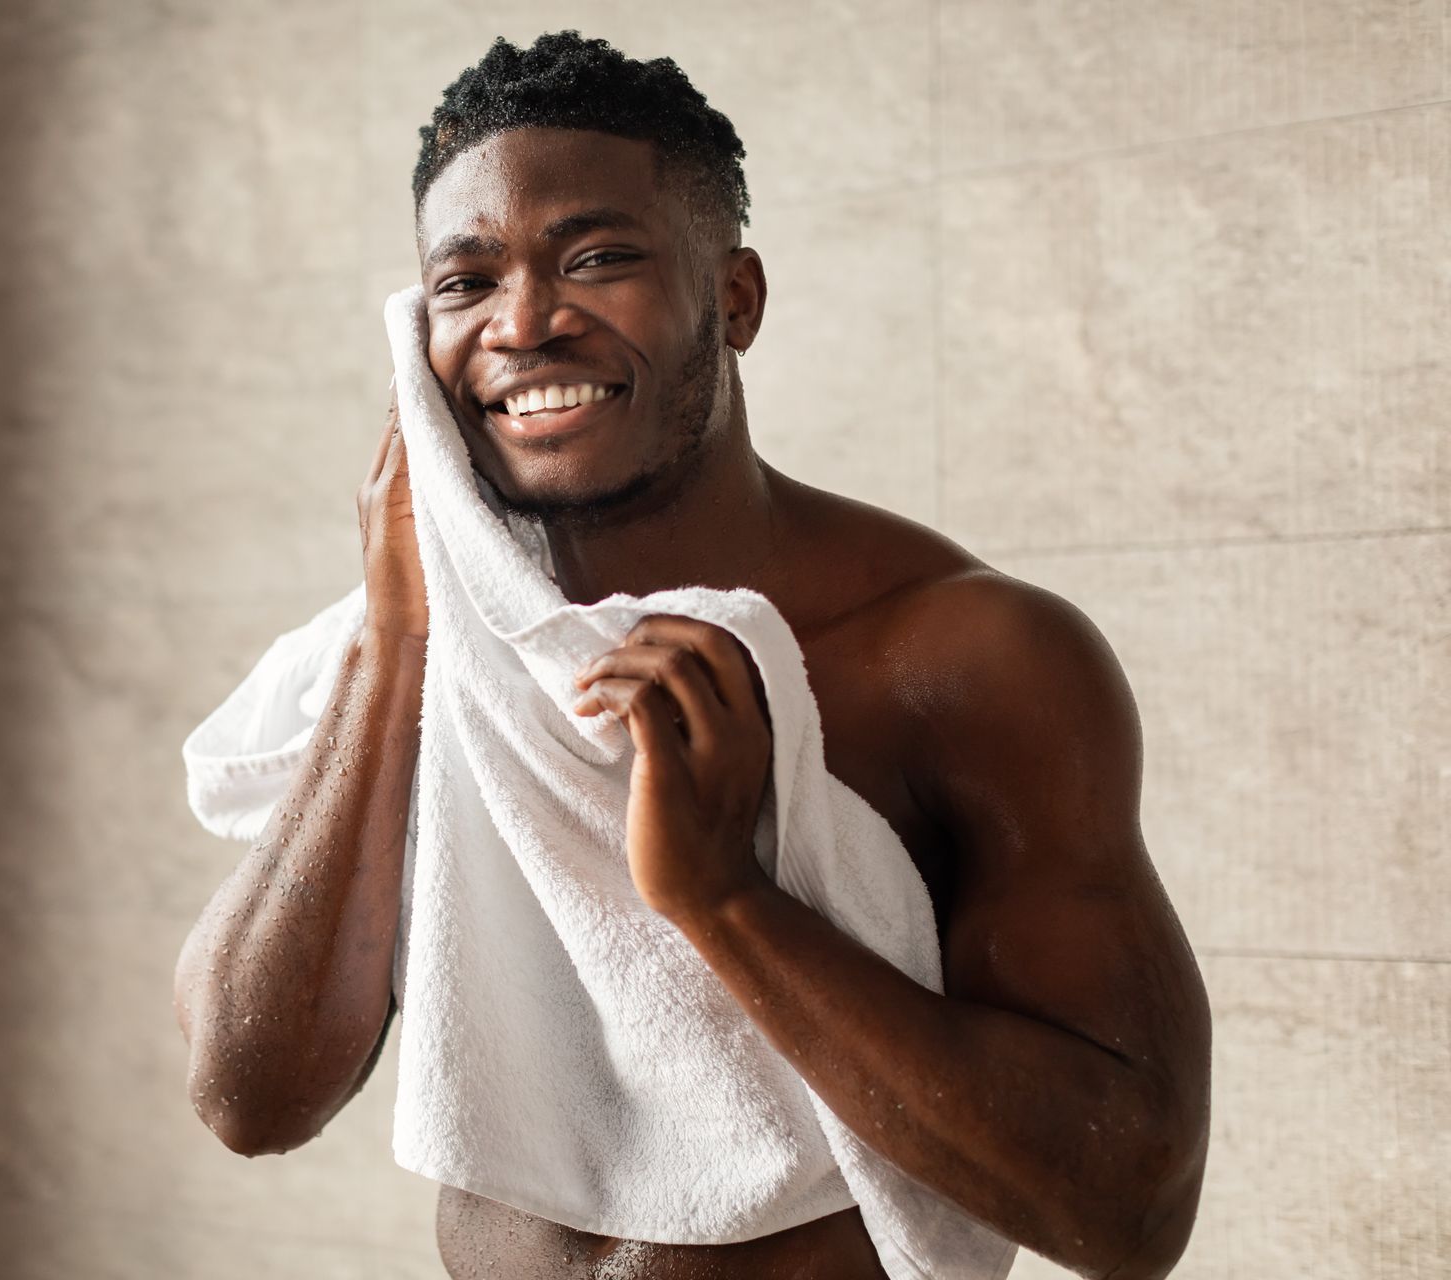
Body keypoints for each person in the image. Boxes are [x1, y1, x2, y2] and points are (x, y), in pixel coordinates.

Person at [174, 30, 1211, 1280]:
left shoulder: (964, 656)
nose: (525, 324)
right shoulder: (441, 654)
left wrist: (728, 900)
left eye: (597, 259)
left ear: (734, 299)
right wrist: (397, 642)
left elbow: (1128, 1212)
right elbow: (249, 1096)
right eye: (465, 282)